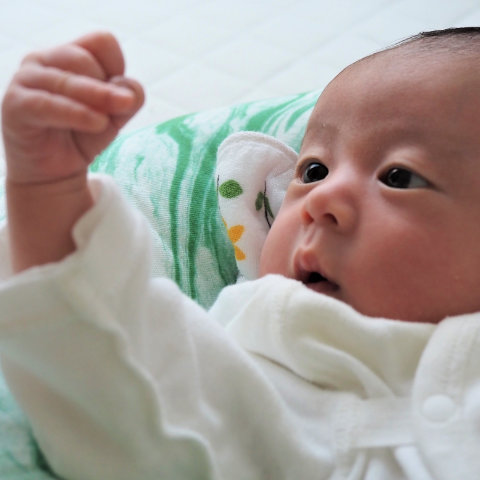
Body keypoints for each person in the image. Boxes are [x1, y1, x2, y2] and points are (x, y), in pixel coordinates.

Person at [0, 27, 480, 480]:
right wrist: (49, 191)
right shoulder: (274, 350)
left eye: (398, 177)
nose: (320, 200)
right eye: (313, 170)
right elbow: (114, 367)